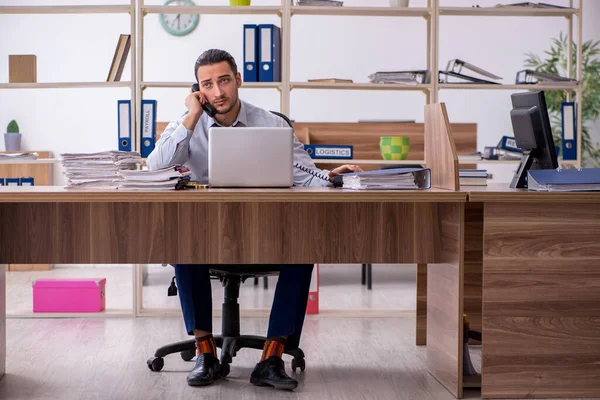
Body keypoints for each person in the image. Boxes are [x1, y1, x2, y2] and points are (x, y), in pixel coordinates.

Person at [146, 49, 362, 390]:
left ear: (238, 81)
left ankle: (272, 357)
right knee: (182, 240)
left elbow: (304, 176)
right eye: (208, 84)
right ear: (198, 89)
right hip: (208, 236)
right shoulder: (186, 125)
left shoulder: (272, 123)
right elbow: (154, 168)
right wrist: (191, 115)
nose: (218, 92)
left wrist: (330, 176)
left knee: (302, 250)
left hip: (265, 234)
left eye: (224, 81)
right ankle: (206, 354)